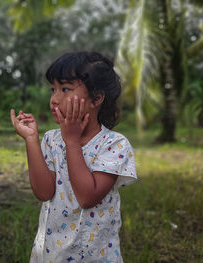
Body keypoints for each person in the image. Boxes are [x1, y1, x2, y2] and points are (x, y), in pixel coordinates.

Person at [10, 51, 137, 262]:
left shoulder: (114, 144)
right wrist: (32, 139)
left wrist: (72, 141)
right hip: (51, 253)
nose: (54, 99)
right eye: (53, 89)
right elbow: (43, 192)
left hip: (94, 255)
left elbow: (87, 197)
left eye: (65, 89)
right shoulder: (51, 140)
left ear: (96, 98)